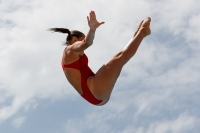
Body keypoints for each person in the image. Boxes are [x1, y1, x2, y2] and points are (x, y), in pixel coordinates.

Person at [49, 11, 151, 106]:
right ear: (75, 39)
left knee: (120, 59)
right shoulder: (70, 50)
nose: (84, 40)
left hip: (97, 96)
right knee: (121, 56)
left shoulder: (68, 58)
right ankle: (142, 31)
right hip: (95, 89)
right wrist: (92, 29)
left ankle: (139, 33)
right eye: (82, 38)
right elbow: (86, 43)